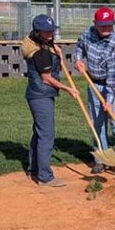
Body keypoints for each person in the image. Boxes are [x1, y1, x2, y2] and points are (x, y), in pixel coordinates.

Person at [73, 7, 115, 179]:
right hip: (94, 83)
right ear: (95, 24)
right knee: (97, 124)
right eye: (102, 26)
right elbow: (79, 46)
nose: (106, 29)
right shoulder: (87, 34)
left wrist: (109, 100)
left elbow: (113, 76)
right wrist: (78, 59)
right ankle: (101, 158)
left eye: (109, 26)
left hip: (114, 85)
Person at [21, 15, 79, 187]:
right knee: (46, 135)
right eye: (47, 31)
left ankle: (34, 169)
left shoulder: (42, 44)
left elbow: (57, 68)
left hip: (38, 94)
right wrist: (68, 89)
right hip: (41, 95)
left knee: (39, 133)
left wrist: (59, 55)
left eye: (52, 30)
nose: (51, 33)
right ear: (37, 32)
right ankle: (45, 177)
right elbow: (46, 78)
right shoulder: (40, 52)